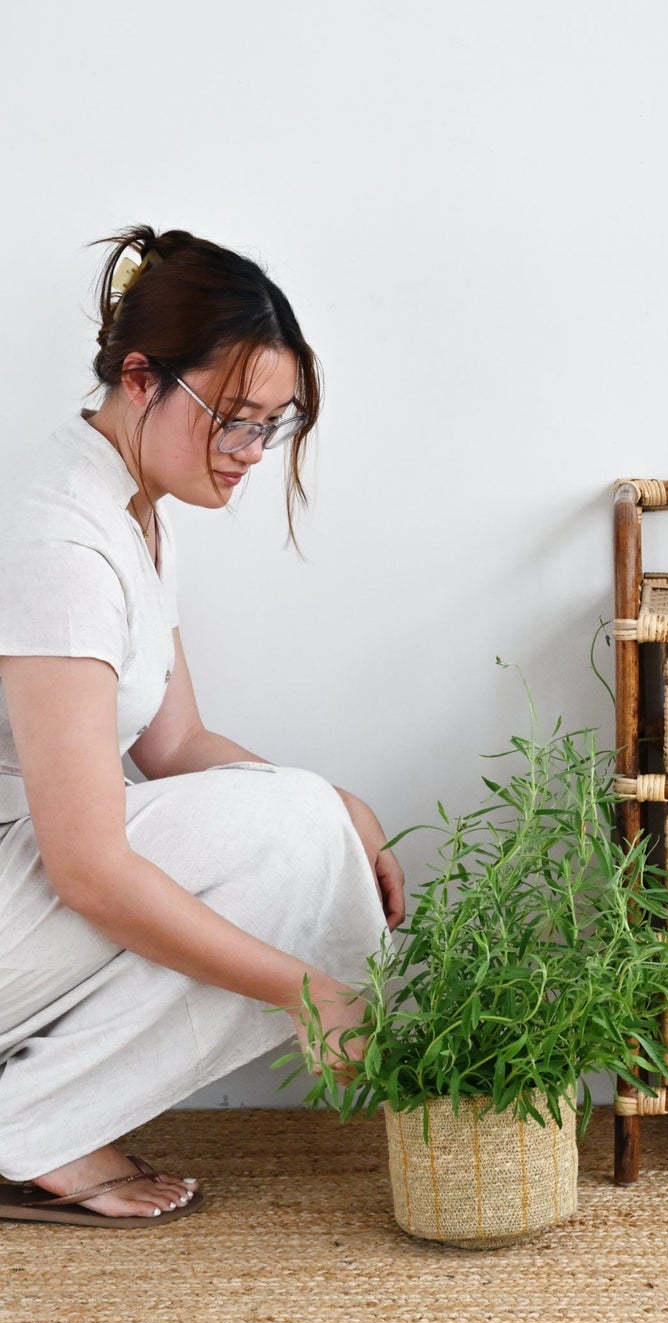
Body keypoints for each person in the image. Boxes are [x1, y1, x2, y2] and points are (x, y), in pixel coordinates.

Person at [0, 224, 404, 1227]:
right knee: (294, 846)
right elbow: (88, 866)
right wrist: (308, 992)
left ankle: (33, 1119)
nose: (252, 453)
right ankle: (27, 1127)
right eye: (232, 419)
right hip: (28, 880)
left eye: (274, 423)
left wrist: (342, 808)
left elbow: (174, 747)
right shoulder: (60, 539)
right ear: (141, 378)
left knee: (312, 832)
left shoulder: (132, 507)